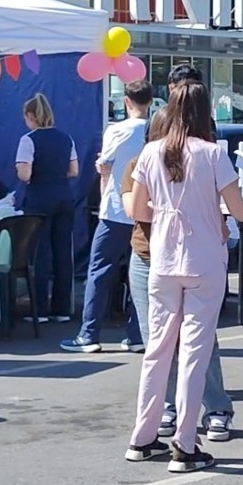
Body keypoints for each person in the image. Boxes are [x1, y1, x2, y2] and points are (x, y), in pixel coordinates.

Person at [125, 81, 243, 473]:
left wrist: (168, 211)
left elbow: (138, 209)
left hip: (162, 258)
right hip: (204, 259)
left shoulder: (150, 151)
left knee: (157, 349)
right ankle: (185, 443)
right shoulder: (213, 153)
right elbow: (240, 211)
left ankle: (143, 438)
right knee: (195, 351)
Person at [62, 80, 152, 353]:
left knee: (100, 271)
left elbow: (104, 167)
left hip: (115, 209)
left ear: (127, 101)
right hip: (145, 211)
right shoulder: (157, 130)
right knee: (141, 274)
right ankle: (137, 334)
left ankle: (89, 334)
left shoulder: (117, 130)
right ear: (150, 102)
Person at [16, 93, 79, 323]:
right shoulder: (66, 138)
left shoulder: (28, 140)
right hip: (64, 196)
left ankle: (40, 310)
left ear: (30, 116)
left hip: (39, 199)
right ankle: (62, 309)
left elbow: (25, 174)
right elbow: (74, 171)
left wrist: (25, 171)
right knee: (63, 253)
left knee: (40, 254)